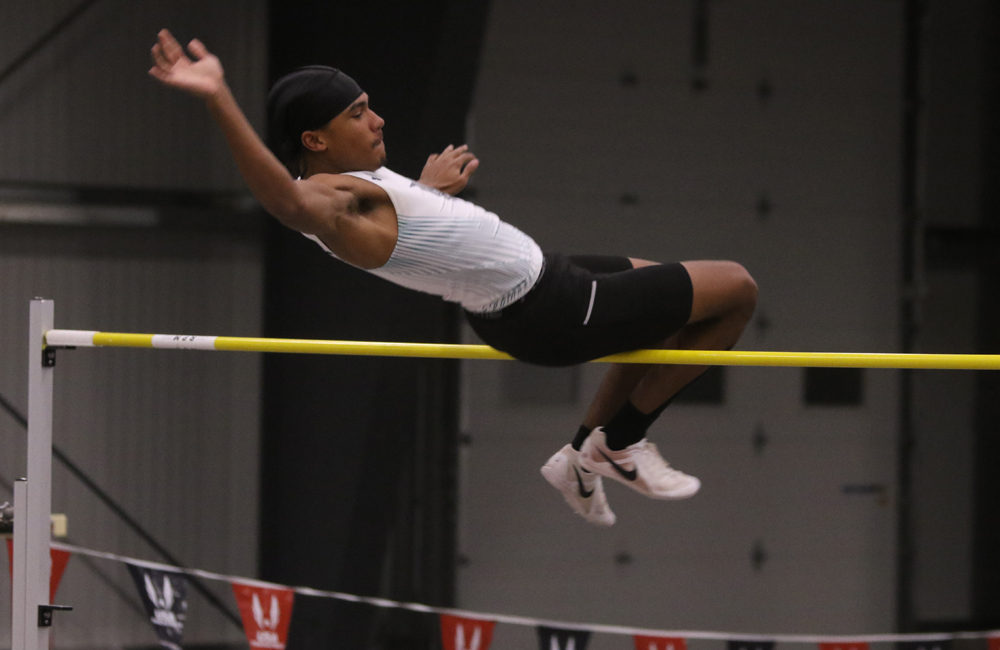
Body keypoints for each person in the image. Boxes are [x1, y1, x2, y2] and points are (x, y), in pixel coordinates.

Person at [149, 29, 758, 527]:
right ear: (315, 139)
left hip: (541, 283)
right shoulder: (325, 197)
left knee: (665, 306)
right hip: (550, 308)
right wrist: (217, 97)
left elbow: (412, 232)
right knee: (735, 290)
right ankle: (619, 443)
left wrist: (427, 189)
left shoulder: (366, 184)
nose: (378, 120)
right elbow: (286, 201)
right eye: (358, 114)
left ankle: (579, 457)